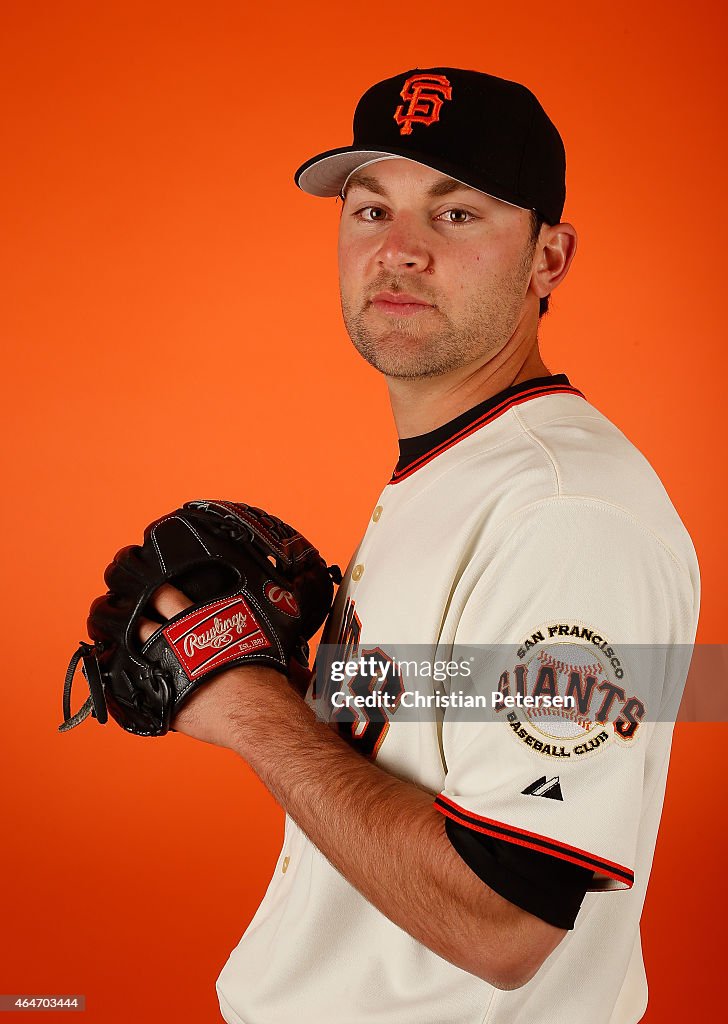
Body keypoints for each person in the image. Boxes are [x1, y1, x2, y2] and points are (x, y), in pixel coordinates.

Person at [141, 68, 700, 1023]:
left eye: (455, 215)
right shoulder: (463, 469)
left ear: (549, 258)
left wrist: (245, 709)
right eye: (370, 210)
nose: (397, 252)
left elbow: (504, 920)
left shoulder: (566, 515)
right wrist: (314, 673)